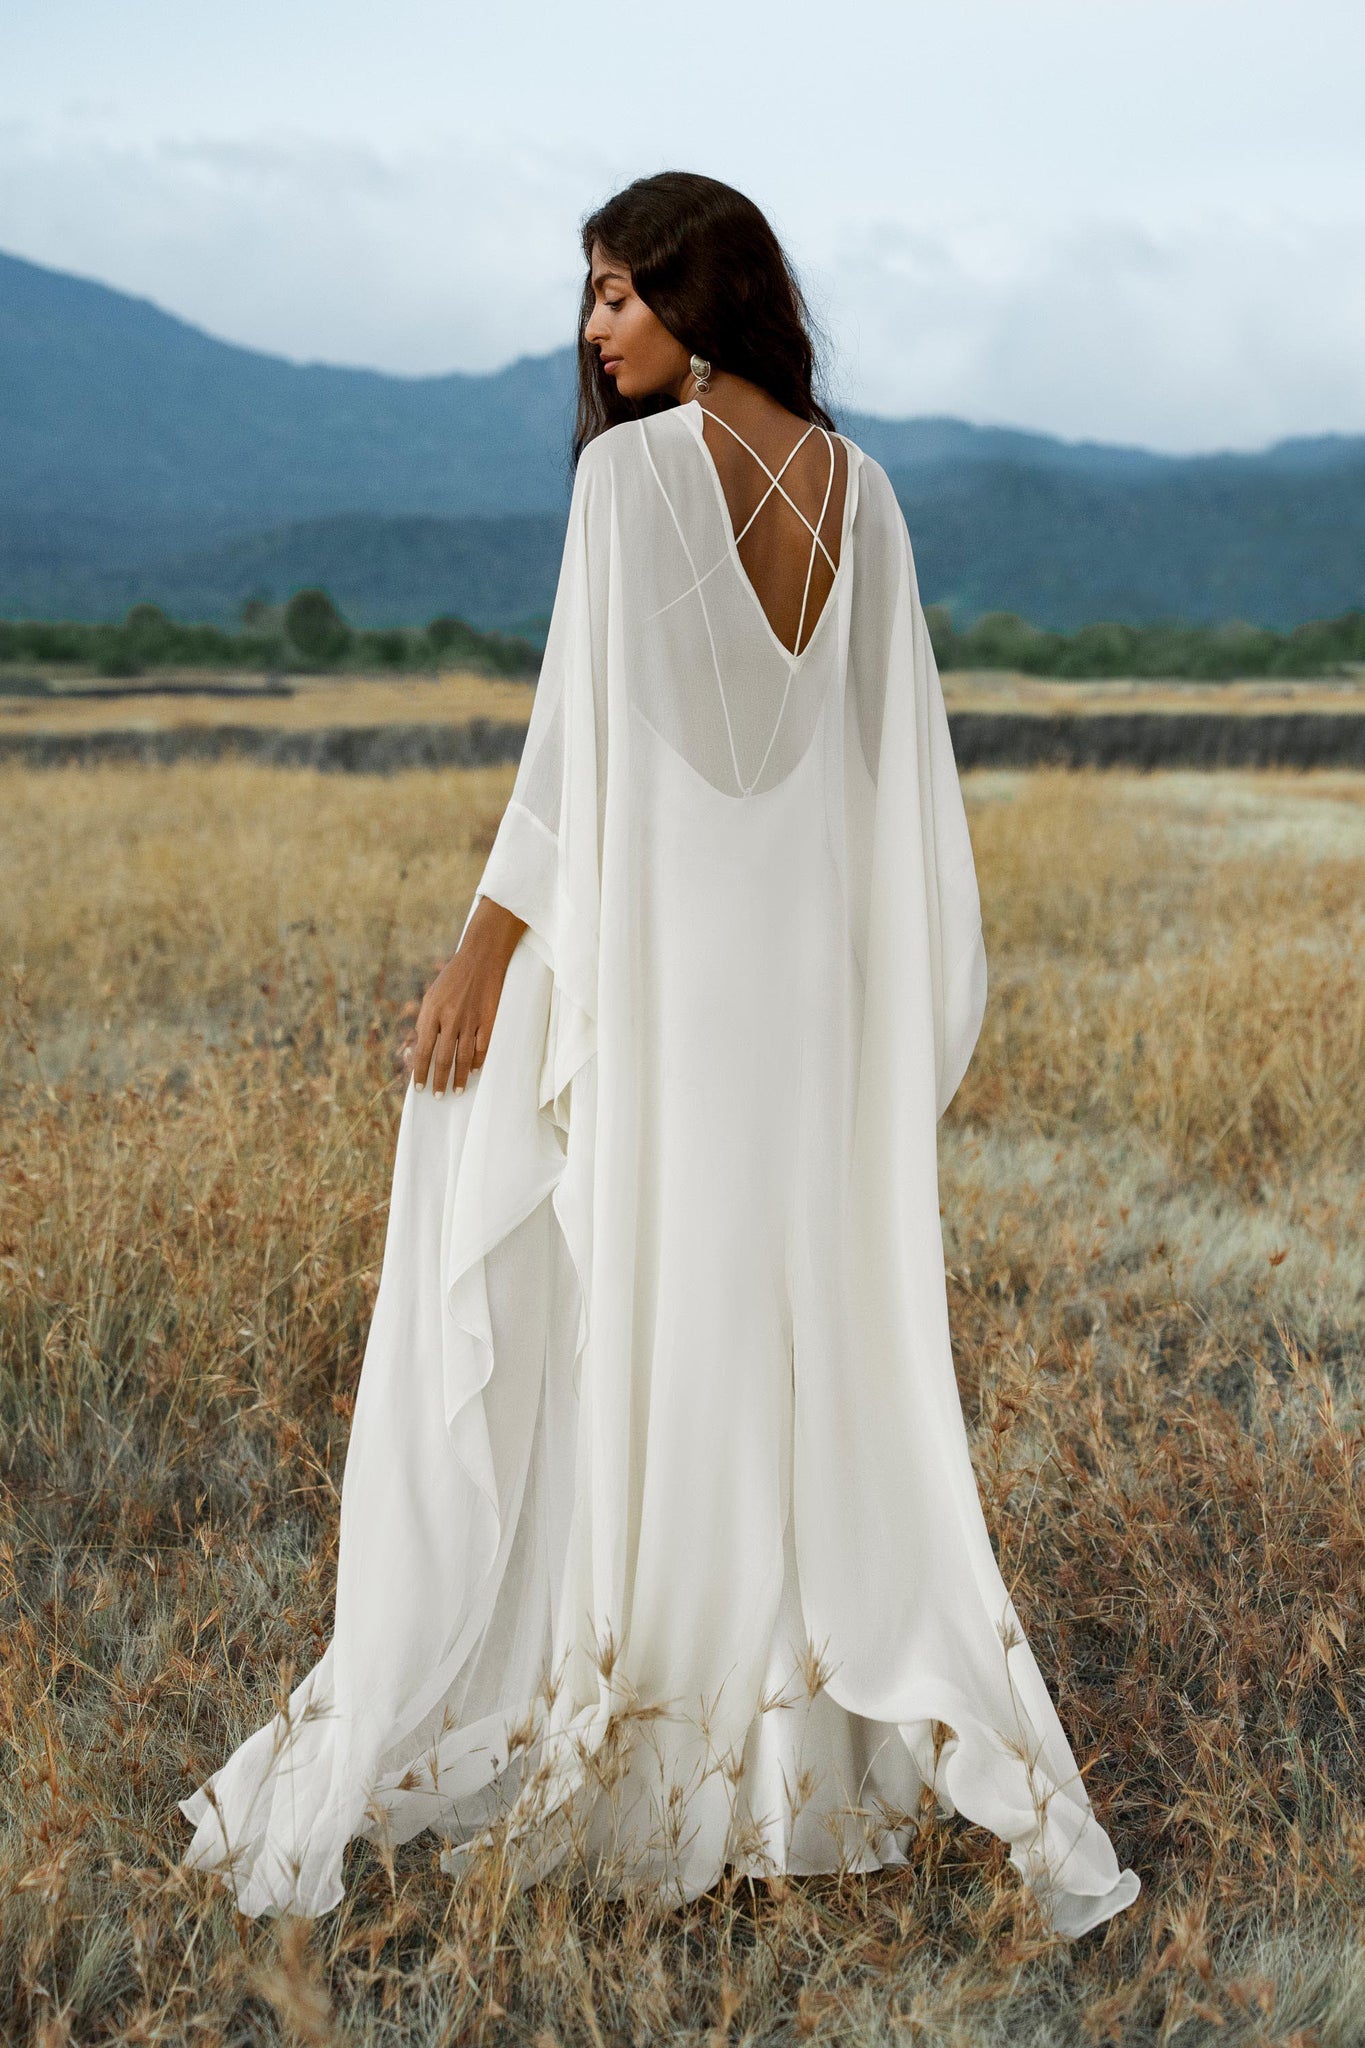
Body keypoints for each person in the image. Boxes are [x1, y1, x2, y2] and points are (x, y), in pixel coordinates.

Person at [179, 170, 1140, 1938]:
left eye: (619, 292)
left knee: (655, 1314)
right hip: (804, 991)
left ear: (702, 295)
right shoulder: (866, 494)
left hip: (676, 971)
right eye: (593, 298)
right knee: (773, 1327)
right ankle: (784, 1733)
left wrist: (480, 951)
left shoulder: (631, 480)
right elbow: (877, 791)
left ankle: (659, 1714)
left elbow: (572, 748)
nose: (594, 329)